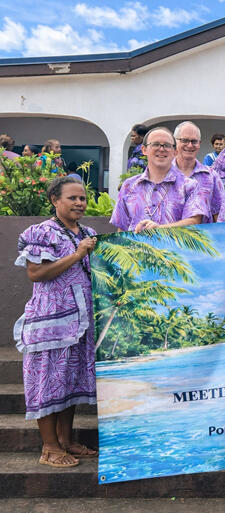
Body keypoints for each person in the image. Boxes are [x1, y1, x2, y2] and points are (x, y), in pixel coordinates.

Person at [14, 176, 99, 468]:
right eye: (72, 198)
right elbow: (36, 273)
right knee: (47, 381)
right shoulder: (42, 232)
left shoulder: (87, 232)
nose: (79, 203)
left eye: (82, 198)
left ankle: (67, 441)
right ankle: (49, 447)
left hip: (80, 322)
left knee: (68, 381)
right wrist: (77, 254)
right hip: (50, 322)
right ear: (54, 200)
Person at [110, 127, 206, 232]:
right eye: (155, 144)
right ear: (144, 150)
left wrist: (159, 229)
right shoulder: (129, 186)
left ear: (175, 151)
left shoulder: (190, 186)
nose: (161, 149)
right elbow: (121, 229)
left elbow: (194, 222)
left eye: (167, 145)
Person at [171, 122, 225, 223]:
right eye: (185, 140)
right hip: (167, 237)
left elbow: (219, 215)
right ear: (175, 142)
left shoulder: (211, 176)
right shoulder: (164, 174)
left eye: (194, 141)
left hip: (203, 237)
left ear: (199, 144)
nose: (190, 145)